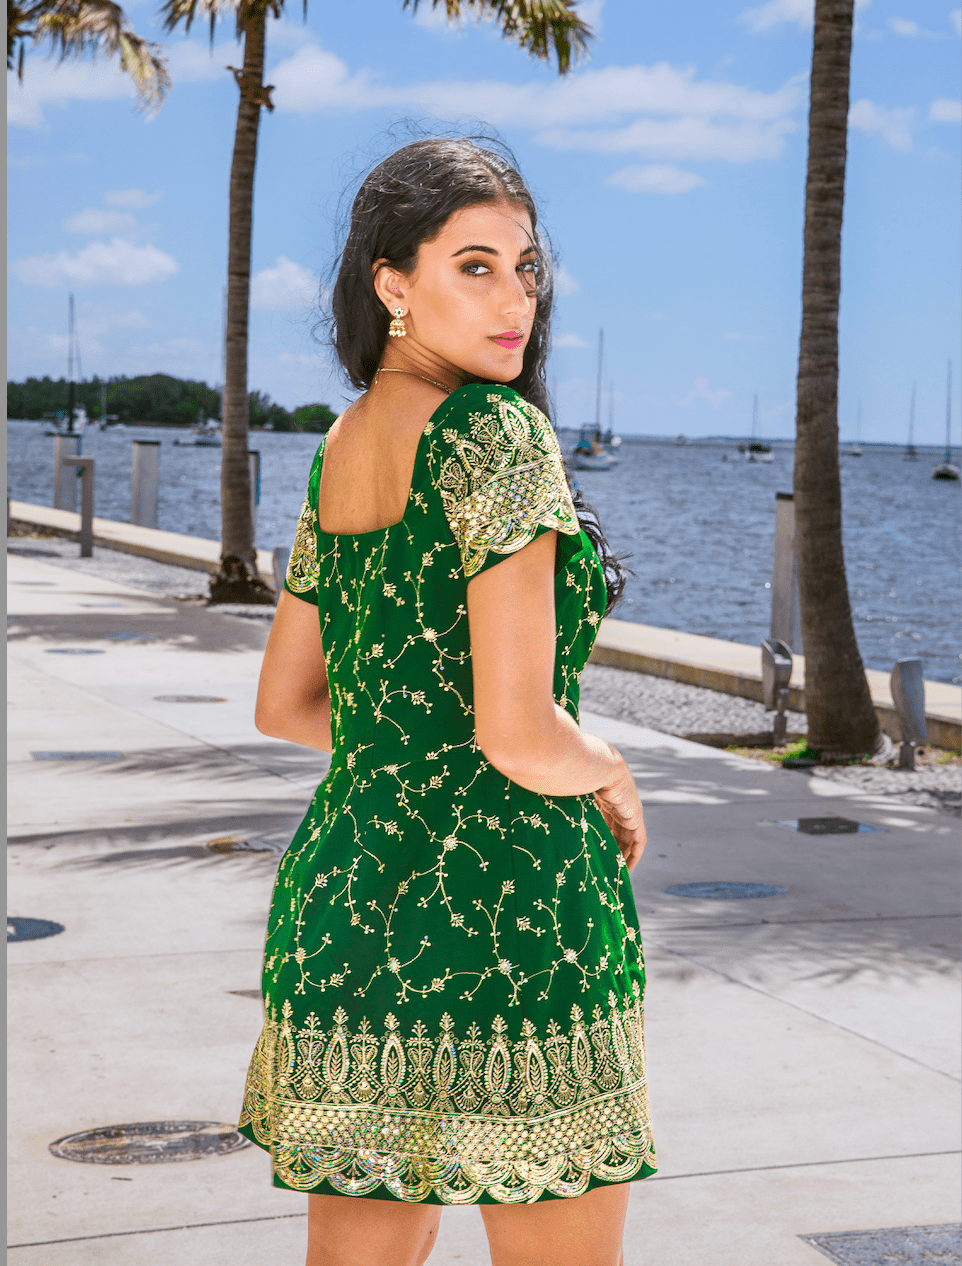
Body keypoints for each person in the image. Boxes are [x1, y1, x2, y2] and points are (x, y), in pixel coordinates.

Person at [240, 136, 656, 1266]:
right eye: (473, 264)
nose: (515, 295)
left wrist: (410, 751)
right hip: (510, 917)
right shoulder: (494, 434)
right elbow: (517, 732)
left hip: (350, 908)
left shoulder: (338, 449)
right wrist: (608, 768)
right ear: (392, 283)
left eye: (526, 267)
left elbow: (287, 702)